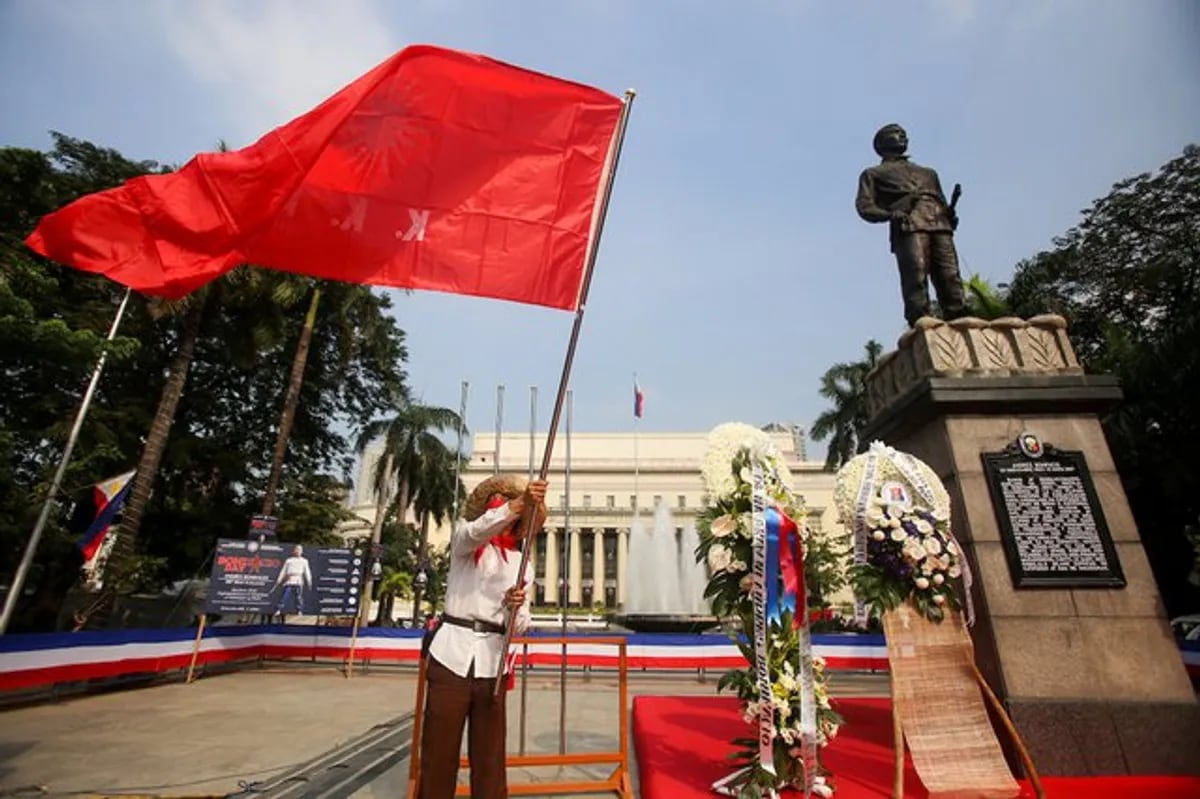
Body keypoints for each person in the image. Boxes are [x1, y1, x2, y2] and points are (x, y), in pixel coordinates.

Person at [418, 474, 547, 799]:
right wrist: (517, 503)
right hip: (452, 657)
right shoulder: (466, 544)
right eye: (497, 508)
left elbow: (520, 626)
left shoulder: (521, 564)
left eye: (508, 511)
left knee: (489, 756)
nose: (501, 516)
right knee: (438, 752)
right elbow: (476, 530)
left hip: (493, 662)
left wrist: (512, 608)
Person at [856, 123, 967, 327]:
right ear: (881, 143)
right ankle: (921, 323)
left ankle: (959, 320)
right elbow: (865, 207)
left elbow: (941, 201)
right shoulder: (873, 174)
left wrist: (949, 214)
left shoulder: (928, 173)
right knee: (916, 276)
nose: (903, 137)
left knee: (950, 276)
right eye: (896, 134)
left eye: (904, 134)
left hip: (940, 225)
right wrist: (890, 214)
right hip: (909, 226)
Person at [273, 544, 312, 616]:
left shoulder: (304, 561)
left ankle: (300, 610)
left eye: (299, 550)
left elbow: (307, 572)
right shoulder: (289, 560)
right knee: (285, 595)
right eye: (296, 549)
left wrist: (309, 580)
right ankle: (279, 609)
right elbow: (283, 571)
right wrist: (279, 579)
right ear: (294, 551)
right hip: (289, 579)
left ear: (302, 551)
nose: (298, 551)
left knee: (298, 596)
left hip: (298, 580)